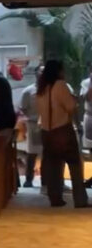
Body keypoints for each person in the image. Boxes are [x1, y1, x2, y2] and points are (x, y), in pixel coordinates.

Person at [36, 59, 88, 208]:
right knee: (74, 165)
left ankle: (55, 198)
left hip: (46, 132)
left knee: (53, 166)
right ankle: (80, 200)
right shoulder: (60, 86)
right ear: (58, 71)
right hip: (62, 130)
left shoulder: (41, 88)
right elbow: (71, 106)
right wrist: (74, 100)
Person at [19, 67, 43, 187]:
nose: (42, 74)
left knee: (47, 154)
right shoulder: (28, 91)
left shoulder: (51, 90)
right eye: (41, 72)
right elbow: (22, 109)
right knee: (32, 153)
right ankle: (29, 179)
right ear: (36, 74)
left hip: (48, 125)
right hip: (33, 124)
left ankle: (46, 180)